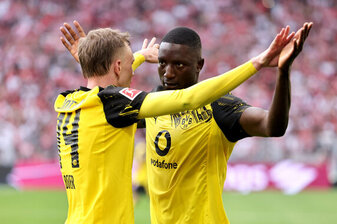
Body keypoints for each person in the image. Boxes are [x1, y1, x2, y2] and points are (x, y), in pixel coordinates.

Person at [56, 22, 293, 224]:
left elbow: (273, 126)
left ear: (199, 65)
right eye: (162, 63)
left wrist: (96, 63)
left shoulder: (70, 103)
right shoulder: (130, 107)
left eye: (178, 65)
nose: (168, 73)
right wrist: (258, 62)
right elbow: (183, 100)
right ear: (118, 66)